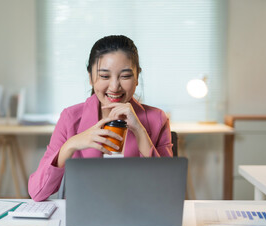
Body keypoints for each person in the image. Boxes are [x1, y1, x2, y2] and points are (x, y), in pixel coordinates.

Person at [28, 35, 173, 201]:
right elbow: (37, 192)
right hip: (85, 216)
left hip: (139, 214)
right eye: (104, 76)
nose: (114, 86)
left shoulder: (157, 119)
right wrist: (71, 144)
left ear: (137, 77)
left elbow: (168, 192)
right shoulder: (70, 118)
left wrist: (140, 132)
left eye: (125, 76)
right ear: (90, 77)